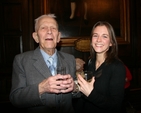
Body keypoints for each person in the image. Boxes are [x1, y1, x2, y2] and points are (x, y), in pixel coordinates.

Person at [9, 14, 79, 113]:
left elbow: (77, 92)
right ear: (36, 36)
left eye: (53, 28)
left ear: (58, 37)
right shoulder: (21, 60)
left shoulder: (69, 59)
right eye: (43, 28)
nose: (49, 31)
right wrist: (41, 88)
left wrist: (75, 88)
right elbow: (15, 98)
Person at [73, 21, 126, 113]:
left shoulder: (117, 67)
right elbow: (84, 97)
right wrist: (75, 88)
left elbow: (116, 106)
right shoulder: (90, 62)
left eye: (104, 36)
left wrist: (91, 94)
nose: (98, 40)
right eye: (95, 35)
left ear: (111, 43)